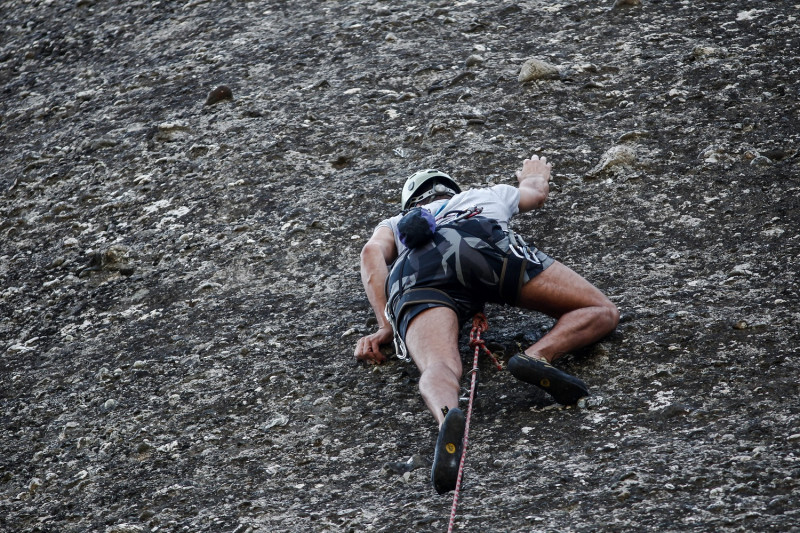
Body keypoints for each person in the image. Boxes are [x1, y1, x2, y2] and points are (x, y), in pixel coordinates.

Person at [354, 155, 619, 494]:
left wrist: (385, 324)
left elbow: (371, 254)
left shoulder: (396, 222)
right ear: (450, 190)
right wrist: (534, 174)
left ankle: (447, 416)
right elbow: (535, 194)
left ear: (412, 202)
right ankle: (537, 355)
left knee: (438, 366)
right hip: (479, 239)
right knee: (599, 309)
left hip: (416, 271)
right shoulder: (483, 196)